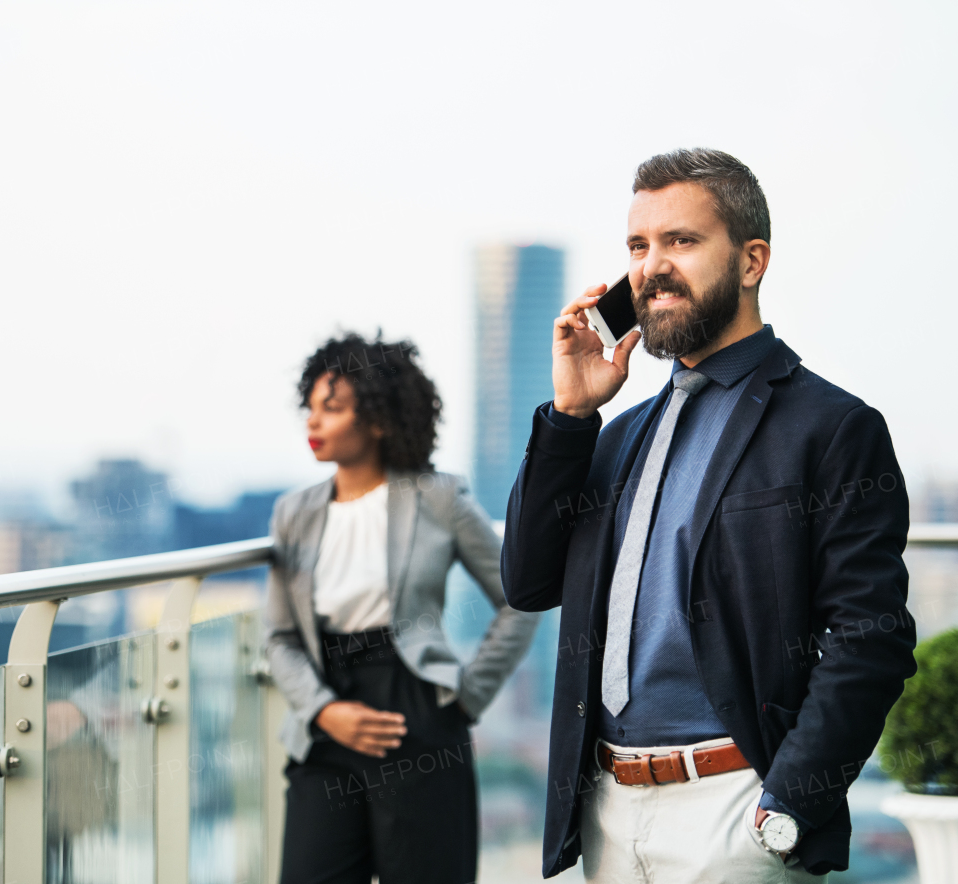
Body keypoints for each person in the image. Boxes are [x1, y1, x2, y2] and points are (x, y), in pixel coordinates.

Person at [501, 149, 916, 882]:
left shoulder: (831, 426)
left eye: (681, 242)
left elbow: (868, 638)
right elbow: (529, 581)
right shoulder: (621, 434)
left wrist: (787, 802)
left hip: (734, 808)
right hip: (606, 808)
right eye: (639, 246)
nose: (652, 267)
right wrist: (571, 415)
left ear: (751, 261)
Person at [266, 331, 540, 884]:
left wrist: (466, 698)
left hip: (416, 712)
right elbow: (280, 638)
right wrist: (322, 710)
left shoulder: (437, 498)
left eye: (333, 409)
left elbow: (520, 599)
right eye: (311, 408)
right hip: (326, 719)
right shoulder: (293, 513)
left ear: (381, 420)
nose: (312, 424)